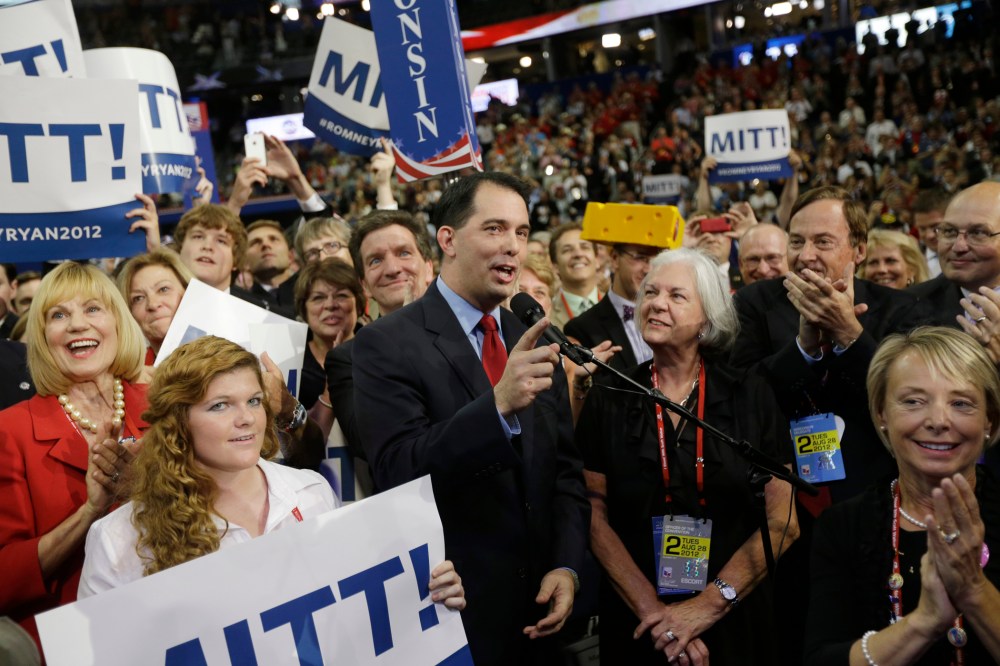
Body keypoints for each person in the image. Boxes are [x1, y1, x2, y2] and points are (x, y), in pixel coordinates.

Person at [352, 171, 589, 666]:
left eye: (521, 233)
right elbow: (397, 468)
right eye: (495, 229)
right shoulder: (386, 343)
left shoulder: (536, 334)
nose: (512, 247)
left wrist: (567, 565)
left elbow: (565, 472)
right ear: (448, 239)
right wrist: (496, 406)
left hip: (546, 619)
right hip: (458, 616)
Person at [77, 336, 465, 614]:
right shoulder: (119, 540)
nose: (246, 418)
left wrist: (422, 591)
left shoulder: (312, 493)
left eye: (254, 401)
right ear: (179, 422)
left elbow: (352, 609)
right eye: (219, 406)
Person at [578, 248, 797, 665]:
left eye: (677, 296)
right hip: (639, 622)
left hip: (734, 617)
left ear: (708, 318)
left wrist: (708, 606)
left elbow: (783, 521)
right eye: (651, 292)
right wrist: (657, 615)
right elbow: (593, 513)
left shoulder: (749, 394)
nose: (657, 303)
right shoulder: (610, 394)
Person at [805, 327, 1000, 664]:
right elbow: (822, 658)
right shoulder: (843, 525)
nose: (938, 420)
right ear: (882, 414)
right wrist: (924, 622)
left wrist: (973, 589)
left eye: (961, 403)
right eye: (913, 401)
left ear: (990, 421)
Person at [0, 262, 147, 649]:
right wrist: (90, 512)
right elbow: (4, 579)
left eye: (92, 309)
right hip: (77, 640)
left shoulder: (164, 408)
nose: (77, 324)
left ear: (118, 322)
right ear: (43, 336)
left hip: (173, 621)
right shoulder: (10, 431)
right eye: (59, 314)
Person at [325, 210, 435, 461]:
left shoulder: (470, 332)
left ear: (429, 268)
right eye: (375, 260)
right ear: (364, 285)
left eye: (404, 253)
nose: (393, 269)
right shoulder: (345, 359)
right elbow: (369, 444)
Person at [566, 241, 659, 372]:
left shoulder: (669, 315)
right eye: (640, 257)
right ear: (615, 259)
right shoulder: (581, 328)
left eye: (656, 260)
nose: (648, 269)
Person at [293, 257, 364, 421]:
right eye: (318, 298)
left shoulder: (379, 351)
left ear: (359, 304)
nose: (330, 305)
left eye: (341, 295)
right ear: (304, 310)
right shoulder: (291, 364)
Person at [173, 204, 277, 312]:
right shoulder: (158, 310)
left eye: (221, 241)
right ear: (180, 248)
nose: (207, 246)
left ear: (236, 258)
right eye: (198, 236)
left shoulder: (265, 318)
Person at [116, 248, 194, 364]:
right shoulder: (127, 375)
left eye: (163, 289)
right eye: (138, 298)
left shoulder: (227, 353)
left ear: (189, 291)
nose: (152, 304)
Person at [548, 222, 602, 329]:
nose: (578, 254)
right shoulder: (547, 314)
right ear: (555, 266)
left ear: (597, 259)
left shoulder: (618, 307)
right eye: (567, 250)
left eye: (584, 247)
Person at [860, 228, 929, 289]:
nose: (881, 269)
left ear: (912, 269)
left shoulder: (927, 303)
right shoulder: (854, 302)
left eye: (890, 261)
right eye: (873, 263)